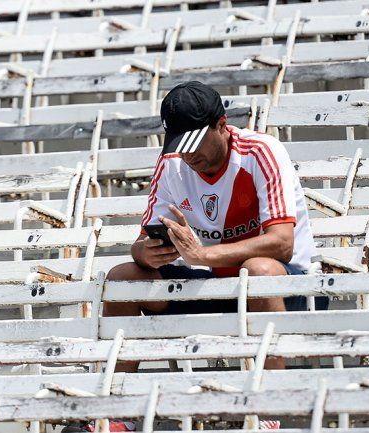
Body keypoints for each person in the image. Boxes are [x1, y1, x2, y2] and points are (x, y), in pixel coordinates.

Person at [62, 82, 326, 433]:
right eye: (180, 145)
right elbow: (140, 243)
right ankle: (116, 415)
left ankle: (266, 413)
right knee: (123, 278)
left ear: (221, 124)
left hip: (288, 284)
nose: (188, 155)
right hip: (215, 284)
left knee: (258, 270)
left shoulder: (261, 151)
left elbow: (282, 244)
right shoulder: (172, 163)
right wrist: (149, 253)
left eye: (195, 143)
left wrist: (203, 254)